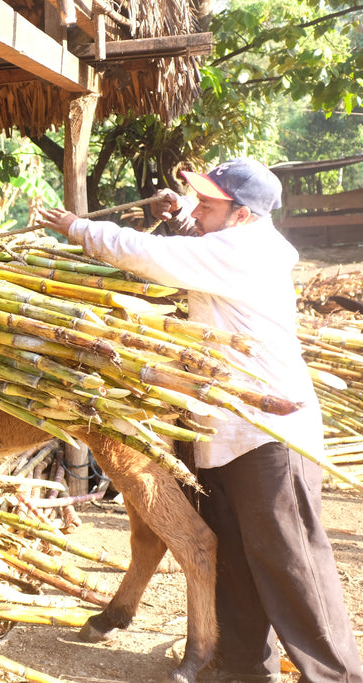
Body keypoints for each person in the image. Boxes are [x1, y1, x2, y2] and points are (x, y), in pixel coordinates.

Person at [40, 158, 363, 683]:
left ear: (242, 215)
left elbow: (153, 257)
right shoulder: (234, 238)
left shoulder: (248, 251)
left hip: (268, 434)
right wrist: (184, 214)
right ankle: (242, 669)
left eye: (209, 202)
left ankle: (337, 676)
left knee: (292, 562)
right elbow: (199, 242)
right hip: (224, 431)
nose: (198, 205)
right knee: (235, 561)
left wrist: (80, 229)